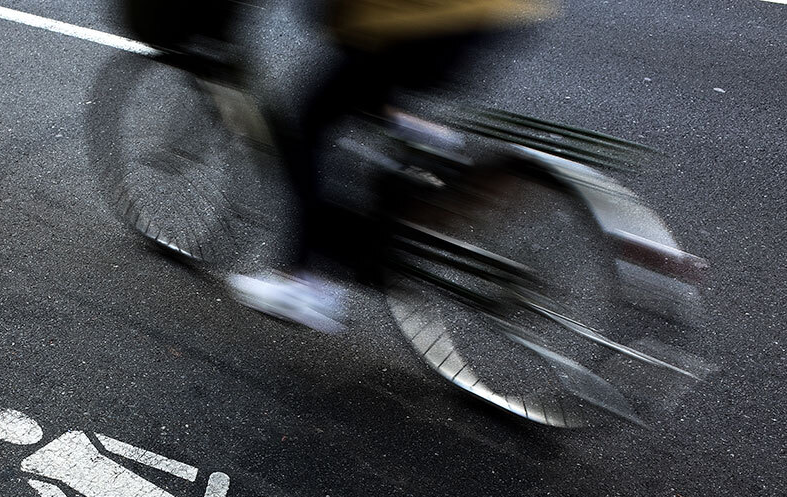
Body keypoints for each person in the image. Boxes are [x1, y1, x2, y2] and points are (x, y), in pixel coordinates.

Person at [227, 0, 555, 333]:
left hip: (418, 23)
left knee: (310, 122)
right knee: (366, 88)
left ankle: (305, 278)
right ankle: (414, 141)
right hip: (483, 19)